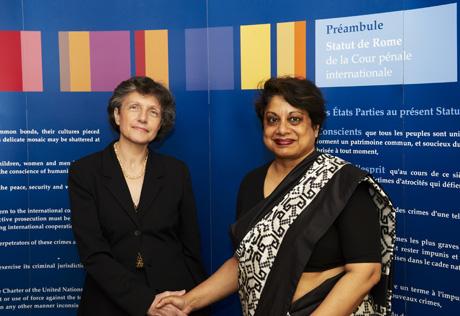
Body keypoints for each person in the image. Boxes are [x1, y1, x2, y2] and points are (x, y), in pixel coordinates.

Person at [156, 77, 395, 315]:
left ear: (315, 127)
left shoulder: (343, 184)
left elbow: (366, 273)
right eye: (273, 120)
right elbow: (245, 263)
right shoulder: (251, 183)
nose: (282, 129)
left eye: (295, 119)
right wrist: (188, 302)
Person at [68, 76, 208, 316]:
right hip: (109, 300)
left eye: (153, 112)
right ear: (117, 115)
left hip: (172, 302)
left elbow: (190, 246)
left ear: (160, 123)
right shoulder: (85, 172)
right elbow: (93, 252)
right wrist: (145, 302)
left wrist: (192, 302)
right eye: (134, 107)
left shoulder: (176, 172)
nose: (143, 118)